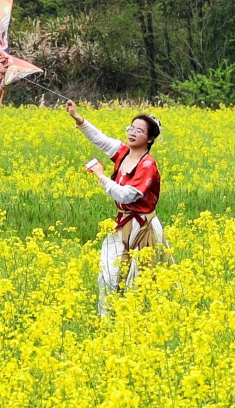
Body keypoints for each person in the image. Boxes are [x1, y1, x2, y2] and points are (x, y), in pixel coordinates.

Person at [67, 101, 164, 312]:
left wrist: (101, 175)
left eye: (139, 131)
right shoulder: (123, 152)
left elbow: (126, 195)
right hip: (123, 225)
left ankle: (137, 325)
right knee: (108, 275)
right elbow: (100, 139)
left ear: (149, 139)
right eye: (131, 128)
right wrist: (77, 118)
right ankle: (106, 320)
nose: (132, 133)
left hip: (143, 227)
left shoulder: (148, 165)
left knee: (140, 282)